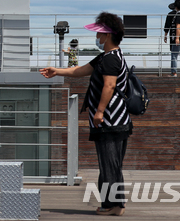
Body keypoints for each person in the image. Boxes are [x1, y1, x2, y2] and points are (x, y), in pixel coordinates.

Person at [40, 12, 131, 216]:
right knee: (111, 165)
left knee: (109, 165)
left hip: (109, 121)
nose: (97, 38)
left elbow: (109, 85)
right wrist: (57, 71)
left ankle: (112, 205)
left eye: (99, 34)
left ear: (107, 35)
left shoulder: (110, 60)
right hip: (116, 121)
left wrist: (99, 112)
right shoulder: (108, 57)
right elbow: (80, 70)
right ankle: (115, 204)